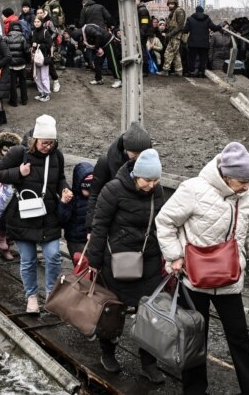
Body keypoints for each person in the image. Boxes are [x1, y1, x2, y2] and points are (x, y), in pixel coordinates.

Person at [155, 142, 249, 395]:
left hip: (230, 280)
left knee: (240, 338)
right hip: (194, 280)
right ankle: (195, 391)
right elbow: (164, 222)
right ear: (226, 176)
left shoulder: (246, 196)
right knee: (194, 340)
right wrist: (174, 256)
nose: (247, 186)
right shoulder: (193, 189)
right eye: (242, 181)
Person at [86, 149, 166, 383]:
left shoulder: (157, 191)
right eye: (147, 180)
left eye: (155, 180)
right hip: (116, 261)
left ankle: (148, 363)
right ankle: (108, 353)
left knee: (149, 314)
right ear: (135, 175)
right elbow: (99, 226)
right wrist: (94, 261)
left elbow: (162, 223)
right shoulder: (113, 190)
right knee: (112, 310)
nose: (151, 185)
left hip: (148, 260)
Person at [0, 115, 73, 313]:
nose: (48, 147)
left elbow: (60, 177)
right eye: (45, 143)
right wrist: (19, 172)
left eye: (52, 143)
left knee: (53, 256)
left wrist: (65, 189)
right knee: (28, 260)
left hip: (48, 214)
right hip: (23, 215)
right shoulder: (20, 153)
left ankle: (52, 295)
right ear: (35, 140)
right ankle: (32, 296)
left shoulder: (57, 156)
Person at [88, 121, 153, 221]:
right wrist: (90, 227)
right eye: (135, 153)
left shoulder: (150, 164)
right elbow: (94, 195)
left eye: (142, 153)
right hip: (112, 219)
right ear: (126, 149)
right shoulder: (106, 162)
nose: (139, 158)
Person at [0, 131, 23, 261]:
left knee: (15, 214)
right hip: (1, 191)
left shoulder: (19, 159)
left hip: (16, 190)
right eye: (4, 150)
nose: (7, 153)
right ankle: (2, 239)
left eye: (11, 150)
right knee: (4, 215)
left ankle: (9, 237)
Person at [81, 0, 121, 88]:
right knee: (102, 59)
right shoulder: (100, 6)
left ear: (84, 3)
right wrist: (110, 27)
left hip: (100, 38)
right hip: (102, 34)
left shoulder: (84, 9)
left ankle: (118, 79)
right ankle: (99, 79)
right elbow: (109, 17)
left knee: (107, 59)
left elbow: (81, 22)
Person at [62, 162, 93, 258]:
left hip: (91, 239)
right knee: (81, 267)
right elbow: (62, 219)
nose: (90, 193)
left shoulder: (97, 198)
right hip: (76, 240)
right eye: (87, 190)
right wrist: (63, 203)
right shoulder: (71, 199)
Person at [184, 5, 219, 77]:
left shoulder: (190, 19)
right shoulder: (207, 19)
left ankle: (191, 72)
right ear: (202, 11)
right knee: (203, 59)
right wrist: (221, 27)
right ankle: (201, 73)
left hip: (193, 43)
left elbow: (185, 30)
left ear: (196, 11)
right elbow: (214, 28)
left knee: (192, 59)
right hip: (204, 43)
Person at [160, 0, 187, 76]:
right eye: (169, 4)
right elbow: (171, 25)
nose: (170, 5)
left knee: (168, 53)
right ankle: (179, 71)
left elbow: (180, 26)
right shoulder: (172, 13)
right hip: (173, 36)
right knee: (176, 54)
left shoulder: (179, 11)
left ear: (175, 4)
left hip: (176, 36)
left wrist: (169, 34)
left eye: (172, 4)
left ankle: (165, 70)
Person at [6, 21, 30, 106]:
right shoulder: (22, 38)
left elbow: (5, 53)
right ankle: (24, 100)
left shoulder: (6, 38)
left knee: (13, 83)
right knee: (23, 82)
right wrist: (28, 60)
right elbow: (27, 51)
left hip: (11, 65)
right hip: (21, 64)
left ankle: (14, 101)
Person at [30, 16, 53, 102]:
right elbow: (31, 43)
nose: (36, 23)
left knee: (44, 76)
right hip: (36, 57)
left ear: (41, 22)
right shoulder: (33, 32)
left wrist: (39, 45)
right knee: (37, 77)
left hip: (44, 57)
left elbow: (50, 44)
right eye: (35, 22)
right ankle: (41, 93)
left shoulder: (45, 32)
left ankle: (47, 94)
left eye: (38, 22)